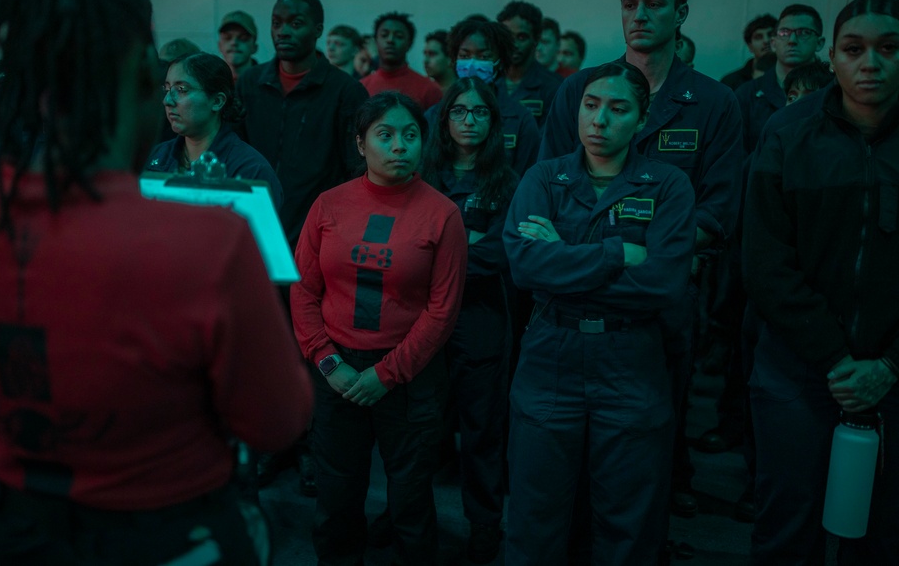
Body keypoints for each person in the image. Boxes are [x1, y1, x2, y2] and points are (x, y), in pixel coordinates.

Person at [0, 0, 313, 565]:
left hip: (8, 529)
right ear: (143, 85)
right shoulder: (212, 244)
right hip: (166, 534)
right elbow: (277, 420)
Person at [539, 0, 744, 522]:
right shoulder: (580, 90)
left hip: (665, 301)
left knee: (651, 437)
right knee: (567, 440)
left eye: (654, 3)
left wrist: (657, 260)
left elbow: (721, 205)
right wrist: (596, 258)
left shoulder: (713, 103)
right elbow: (545, 191)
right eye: (630, 3)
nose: (640, 14)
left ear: (681, 13)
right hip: (574, 295)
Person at [503, 61, 696, 564]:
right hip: (551, 355)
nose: (600, 120)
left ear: (642, 116)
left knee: (629, 518)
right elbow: (524, 266)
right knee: (535, 511)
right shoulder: (544, 177)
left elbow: (662, 283)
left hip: (631, 360)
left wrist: (562, 254)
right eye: (591, 105)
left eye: (617, 108)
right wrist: (616, 255)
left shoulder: (668, 185)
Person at [743, 0, 899, 566]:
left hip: (893, 376)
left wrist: (888, 366)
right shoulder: (788, 133)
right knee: (788, 526)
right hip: (797, 373)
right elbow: (763, 261)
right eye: (855, 50)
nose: (871, 63)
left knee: (883, 534)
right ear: (832, 57)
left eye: (889, 48)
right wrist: (836, 357)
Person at [292, 91, 468, 566]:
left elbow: (442, 310)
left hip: (410, 378)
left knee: (410, 500)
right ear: (360, 144)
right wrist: (329, 362)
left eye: (410, 136)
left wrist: (386, 375)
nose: (399, 146)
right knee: (336, 497)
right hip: (336, 373)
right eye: (385, 135)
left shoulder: (443, 215)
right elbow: (304, 291)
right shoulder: (328, 205)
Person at [421, 77, 519, 563]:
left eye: (480, 113)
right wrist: (465, 247)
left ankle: (485, 522)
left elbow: (505, 253)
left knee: (483, 430)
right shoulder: (421, 174)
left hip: (481, 318)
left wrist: (441, 252)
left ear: (493, 122)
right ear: (444, 119)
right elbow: (406, 247)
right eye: (459, 112)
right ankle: (409, 518)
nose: (469, 121)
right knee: (420, 428)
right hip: (420, 320)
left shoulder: (509, 180)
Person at [234, 0, 368, 249]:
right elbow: (236, 154)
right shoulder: (250, 83)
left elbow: (356, 169)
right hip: (252, 227)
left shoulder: (345, 91)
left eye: (296, 24)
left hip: (318, 233)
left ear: (318, 30)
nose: (283, 31)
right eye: (276, 23)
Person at [145, 52, 283, 209]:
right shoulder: (157, 157)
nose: (167, 100)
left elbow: (261, 231)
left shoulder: (250, 170)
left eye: (182, 89)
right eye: (167, 88)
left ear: (217, 101)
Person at [444, 18, 541, 178]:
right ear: (455, 60)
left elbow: (527, 178)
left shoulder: (520, 119)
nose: (473, 63)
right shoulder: (436, 114)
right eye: (465, 55)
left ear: (500, 62)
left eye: (483, 57)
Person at [737, 4, 825, 153]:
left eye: (803, 32)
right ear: (773, 42)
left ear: (820, 42)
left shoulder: (833, 92)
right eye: (784, 33)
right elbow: (735, 160)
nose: (792, 40)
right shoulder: (746, 95)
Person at [496, 0, 563, 127]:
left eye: (521, 37)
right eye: (507, 36)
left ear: (536, 39)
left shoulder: (554, 87)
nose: (514, 44)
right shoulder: (488, 82)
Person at [361, 12, 443, 111]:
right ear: (376, 40)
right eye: (384, 35)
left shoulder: (429, 89)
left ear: (410, 43)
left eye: (399, 36)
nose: (390, 40)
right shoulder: (362, 87)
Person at [721, 14, 777, 91]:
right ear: (750, 46)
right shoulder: (731, 82)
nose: (766, 41)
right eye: (758, 37)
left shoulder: (794, 77)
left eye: (771, 35)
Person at [218, 10, 259, 84]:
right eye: (227, 37)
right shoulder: (208, 82)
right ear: (220, 46)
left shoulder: (267, 82)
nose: (234, 43)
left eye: (243, 38)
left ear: (254, 47)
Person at [423, 29, 457, 93]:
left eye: (432, 54)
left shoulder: (464, 92)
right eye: (425, 54)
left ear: (451, 58)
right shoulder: (425, 91)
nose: (426, 61)